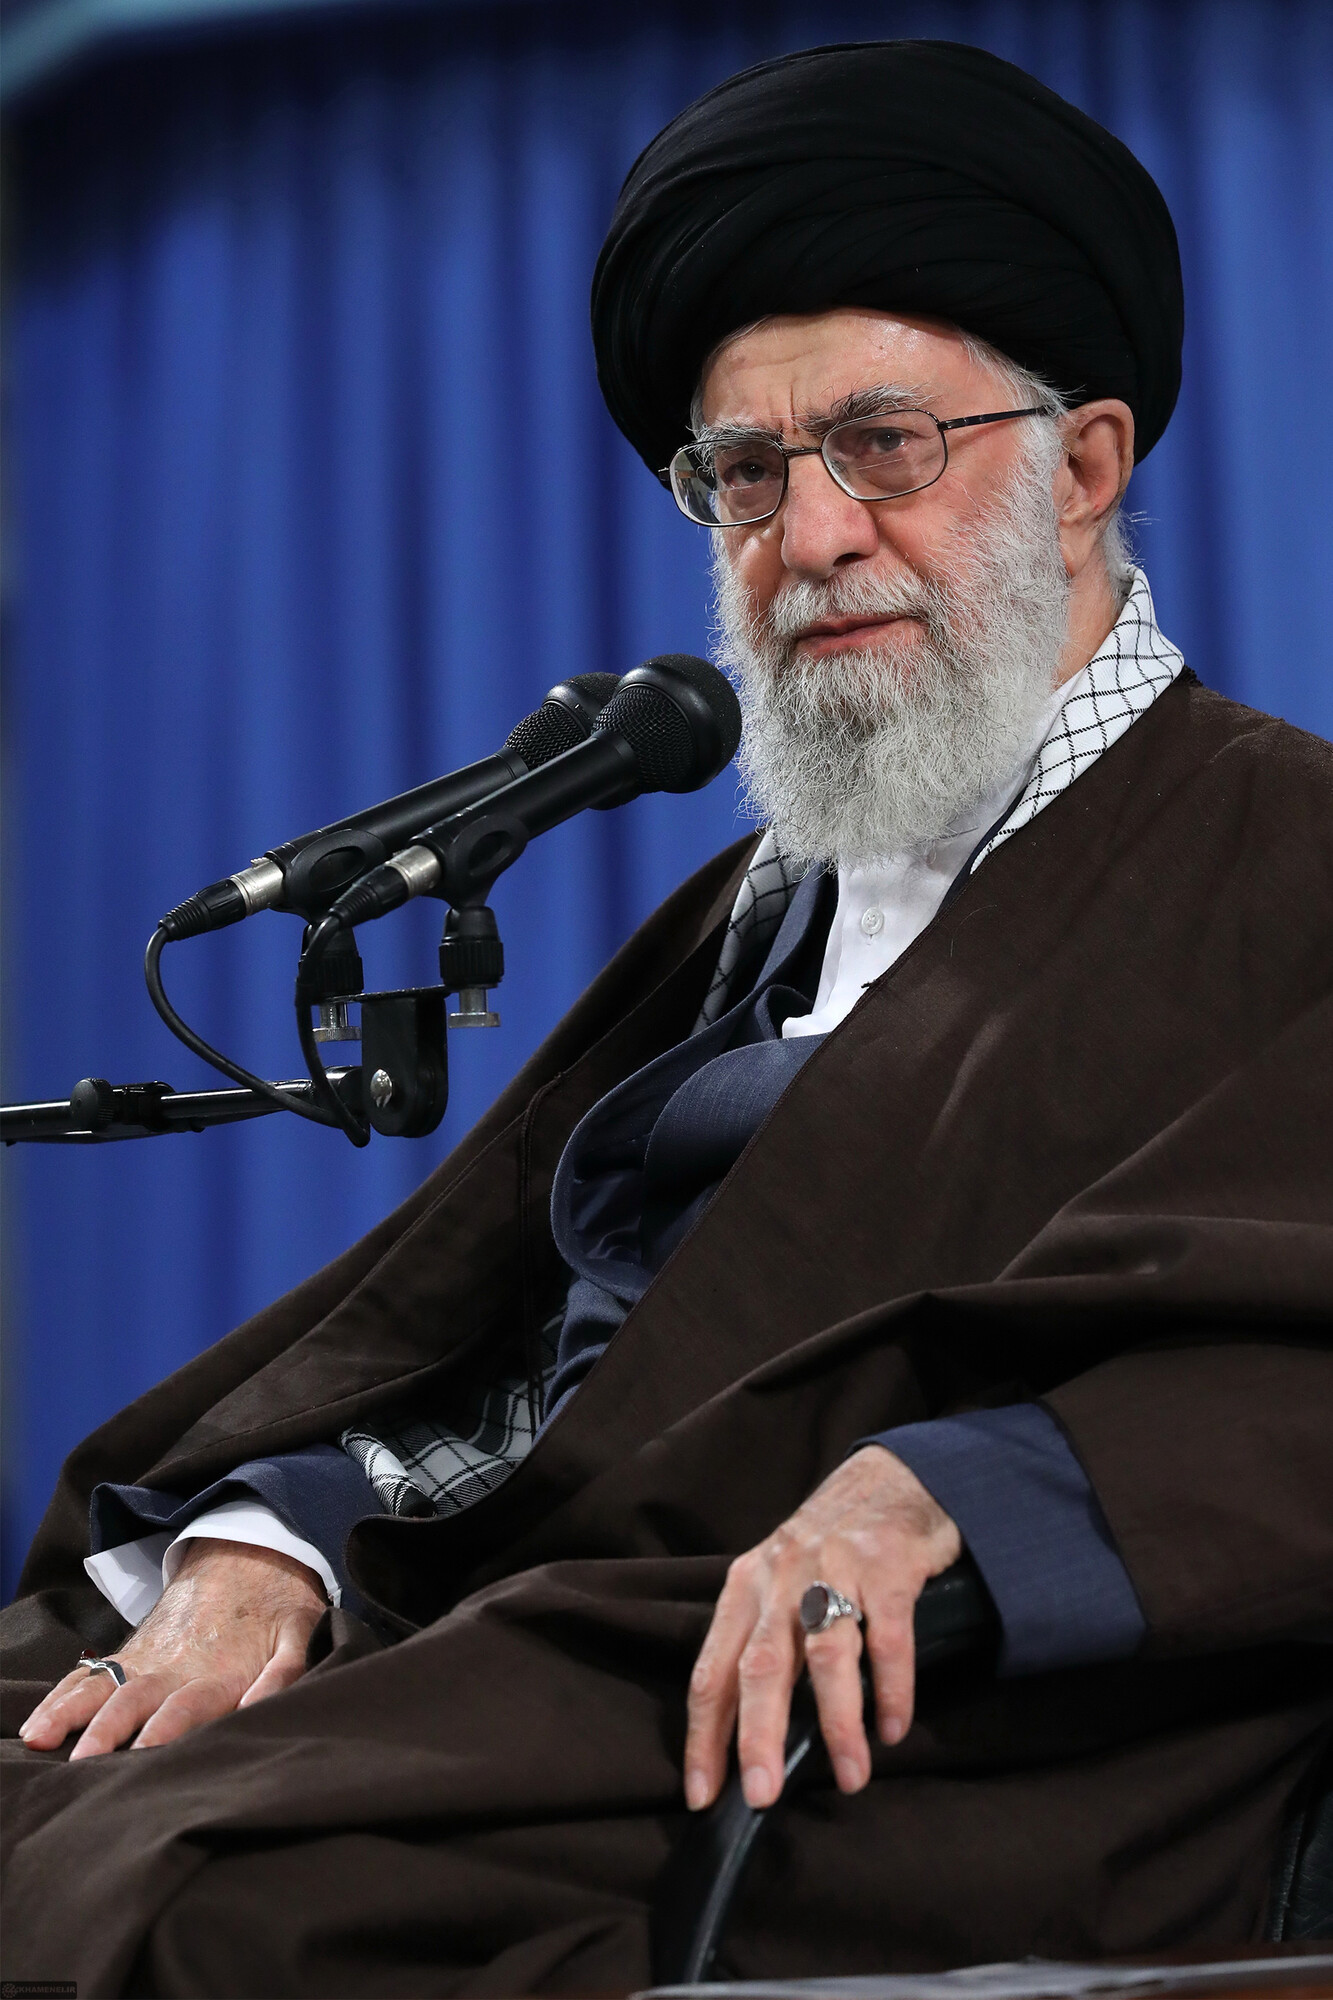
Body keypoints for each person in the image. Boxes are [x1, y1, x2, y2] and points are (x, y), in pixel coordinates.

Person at [3, 39, 1331, 1998]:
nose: (812, 536)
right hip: (545, 1628)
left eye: (885, 446)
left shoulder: (1286, 853)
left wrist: (974, 1487)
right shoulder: (758, 909)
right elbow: (520, 1379)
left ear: (1082, 469)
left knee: (209, 1901)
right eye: (745, 476)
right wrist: (272, 1541)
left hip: (907, 1720)